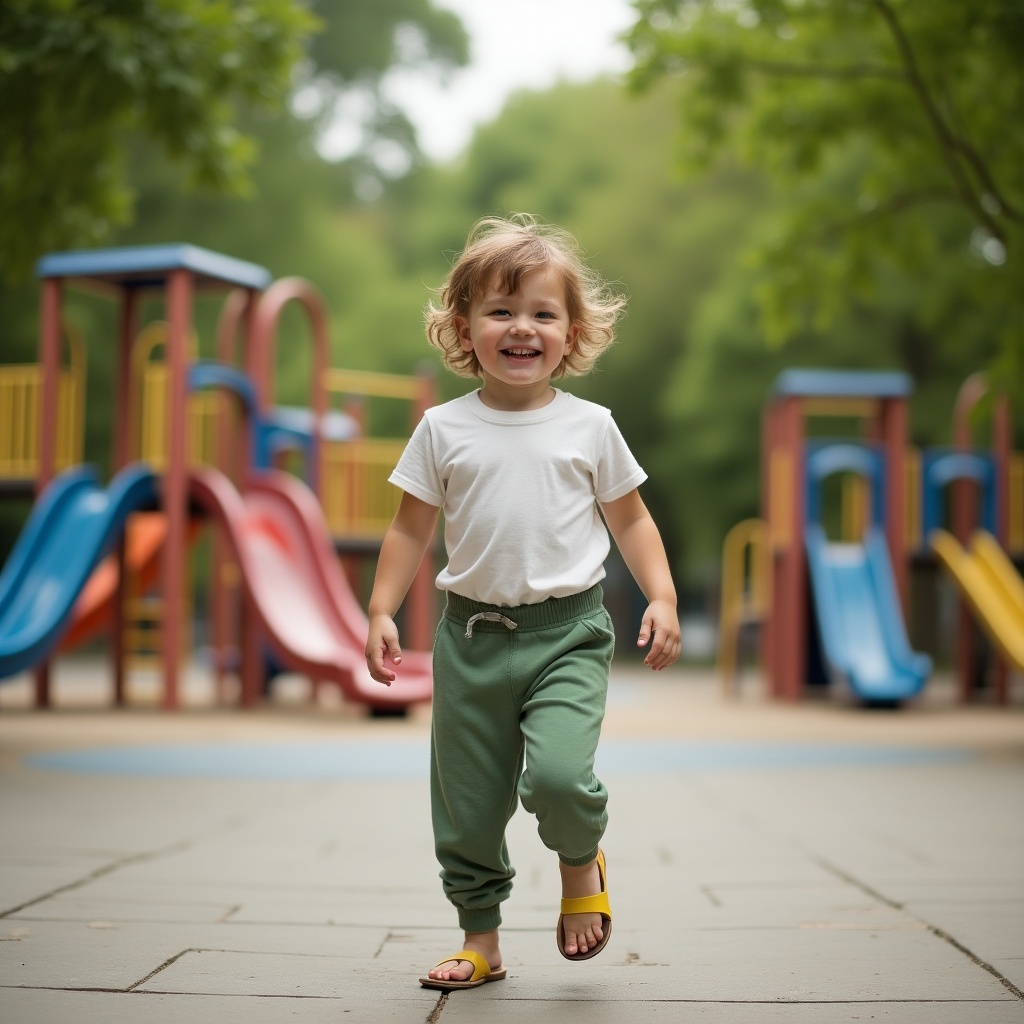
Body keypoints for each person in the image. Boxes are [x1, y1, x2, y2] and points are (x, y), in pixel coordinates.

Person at [364, 213, 681, 990]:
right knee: (467, 806)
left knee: (560, 780)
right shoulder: (442, 430)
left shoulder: (591, 427)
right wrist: (378, 608)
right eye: (500, 311)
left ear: (571, 332)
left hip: (567, 633)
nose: (521, 328)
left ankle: (581, 866)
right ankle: (482, 939)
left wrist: (663, 597)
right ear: (463, 327)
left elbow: (631, 517)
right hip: (468, 640)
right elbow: (410, 529)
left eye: (542, 313)